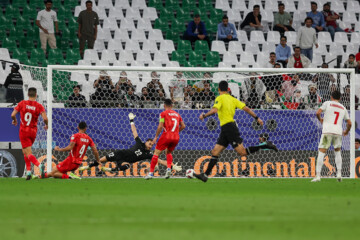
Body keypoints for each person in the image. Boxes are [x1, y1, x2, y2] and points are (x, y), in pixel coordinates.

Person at [194, 81, 278, 182]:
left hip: (229, 127)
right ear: (227, 88)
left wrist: (204, 115)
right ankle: (205, 175)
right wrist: (257, 118)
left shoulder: (219, 98)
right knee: (215, 151)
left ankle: (265, 145)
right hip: (226, 128)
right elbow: (246, 108)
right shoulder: (233, 99)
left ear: (219, 89)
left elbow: (214, 110)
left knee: (242, 152)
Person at [80, 113, 182, 175]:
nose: (150, 145)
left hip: (125, 161)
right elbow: (134, 132)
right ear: (145, 142)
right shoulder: (139, 143)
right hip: (119, 153)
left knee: (127, 166)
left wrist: (172, 166)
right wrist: (131, 120)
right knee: (100, 160)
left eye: (151, 145)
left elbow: (161, 161)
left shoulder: (149, 154)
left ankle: (109, 169)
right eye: (149, 143)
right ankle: (86, 167)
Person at [312, 90, 352, 182]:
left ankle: (318, 176)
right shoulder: (343, 108)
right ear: (340, 98)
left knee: (322, 152)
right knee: (338, 152)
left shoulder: (328, 103)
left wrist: (320, 120)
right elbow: (349, 123)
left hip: (327, 131)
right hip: (338, 132)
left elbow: (318, 113)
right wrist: (346, 131)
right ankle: (339, 174)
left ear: (331, 97)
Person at [10, 88, 48, 180]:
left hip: (24, 131)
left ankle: (39, 166)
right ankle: (28, 172)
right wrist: (46, 125)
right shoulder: (39, 106)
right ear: (36, 95)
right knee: (25, 151)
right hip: (33, 131)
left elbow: (12, 114)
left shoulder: (22, 103)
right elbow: (45, 118)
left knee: (28, 152)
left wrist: (15, 121)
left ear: (28, 94)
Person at [145, 99, 186, 179]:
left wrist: (156, 137)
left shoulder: (163, 114)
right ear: (172, 105)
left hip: (166, 135)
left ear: (164, 105)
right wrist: (176, 132)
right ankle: (168, 170)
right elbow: (183, 126)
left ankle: (150, 173)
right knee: (168, 152)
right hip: (176, 137)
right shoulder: (177, 115)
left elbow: (160, 126)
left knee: (156, 153)